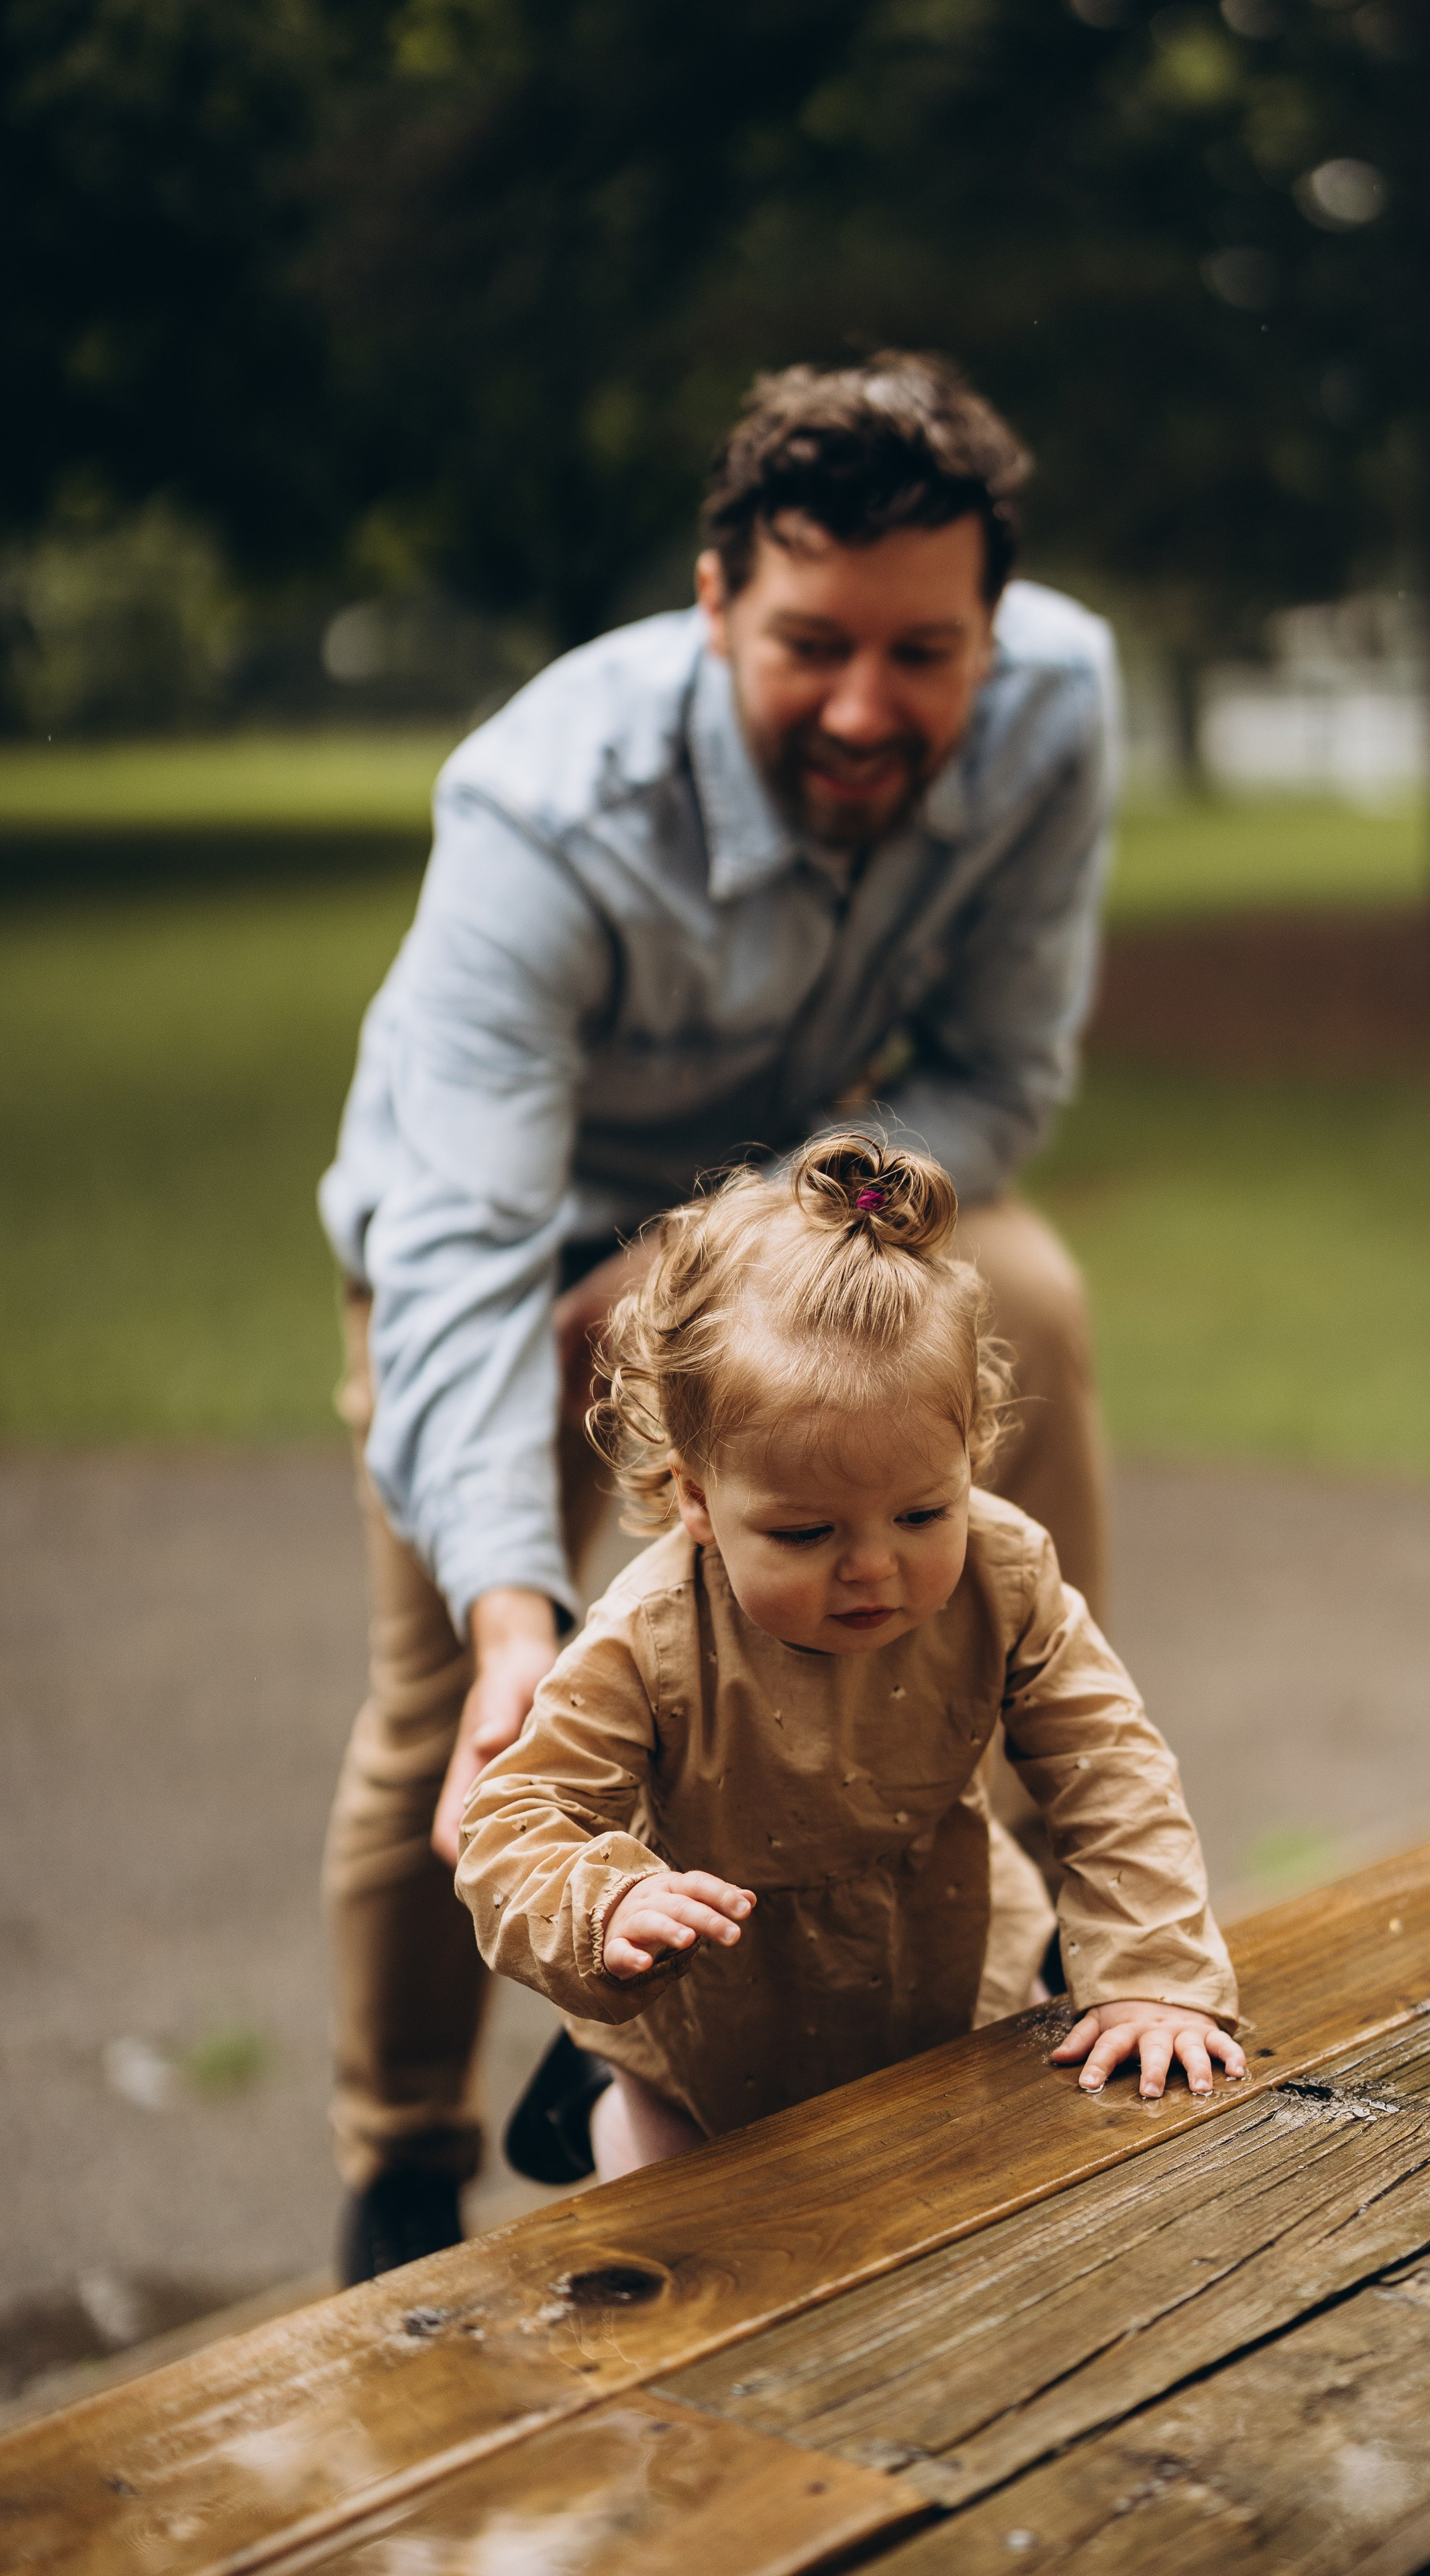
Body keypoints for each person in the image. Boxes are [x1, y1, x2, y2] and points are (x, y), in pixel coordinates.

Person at [318, 352, 1123, 2276]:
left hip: (786, 1210)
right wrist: (516, 1607)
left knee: (1024, 1285)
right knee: (462, 1700)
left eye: (925, 654)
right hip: (499, 1259)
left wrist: (720, 1254)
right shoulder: (545, 807)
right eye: (810, 645)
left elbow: (999, 1087)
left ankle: (1060, 1889)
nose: (868, 706)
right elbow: (453, 1237)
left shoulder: (1055, 714)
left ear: (992, 631)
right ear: (712, 603)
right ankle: (403, 2150)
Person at [457, 1135, 1241, 2178]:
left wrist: (1152, 1972)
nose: (873, 1567)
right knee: (691, 2211)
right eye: (806, 1534)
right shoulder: (647, 1639)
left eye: (923, 1511)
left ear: (970, 1455)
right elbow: (511, 1826)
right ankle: (601, 2095)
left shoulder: (1003, 1571)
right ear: (696, 1498)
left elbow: (1112, 1766)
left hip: (948, 1965)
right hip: (717, 2017)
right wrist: (608, 1906)